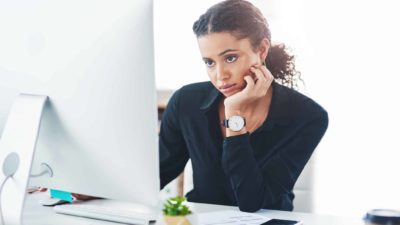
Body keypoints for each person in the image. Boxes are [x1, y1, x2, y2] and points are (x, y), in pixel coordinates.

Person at [159, 0, 328, 212]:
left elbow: (252, 202)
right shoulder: (186, 102)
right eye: (209, 62)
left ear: (262, 50)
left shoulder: (308, 116)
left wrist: (234, 115)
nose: (220, 76)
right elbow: (156, 174)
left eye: (230, 58)